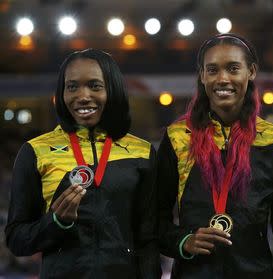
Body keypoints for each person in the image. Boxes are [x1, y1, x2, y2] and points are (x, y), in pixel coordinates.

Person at [5, 49, 161, 279]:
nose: (83, 95)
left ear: (113, 90)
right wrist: (56, 222)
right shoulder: (35, 151)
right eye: (72, 86)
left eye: (95, 86)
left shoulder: (142, 152)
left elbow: (149, 239)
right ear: (62, 92)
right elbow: (16, 239)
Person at [156, 33, 273, 279]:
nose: (223, 79)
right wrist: (184, 241)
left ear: (251, 71)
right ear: (202, 75)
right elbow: (154, 220)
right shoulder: (178, 138)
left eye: (233, 68)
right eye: (212, 70)